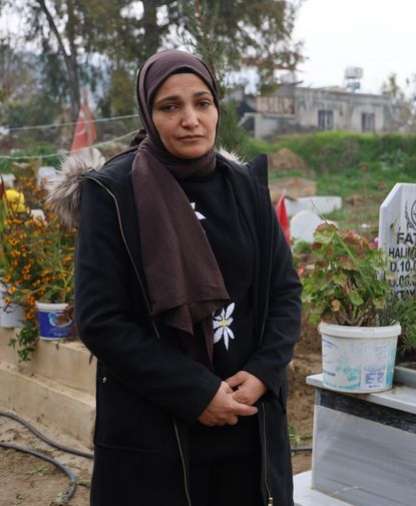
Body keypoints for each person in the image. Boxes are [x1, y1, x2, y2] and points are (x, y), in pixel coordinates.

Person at [66, 49, 301, 506]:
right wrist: (196, 393)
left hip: (247, 426)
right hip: (157, 434)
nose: (190, 119)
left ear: (216, 108)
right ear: (149, 114)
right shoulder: (113, 194)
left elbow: (284, 291)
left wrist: (263, 371)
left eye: (202, 102)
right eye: (170, 106)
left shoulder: (244, 187)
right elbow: (101, 321)